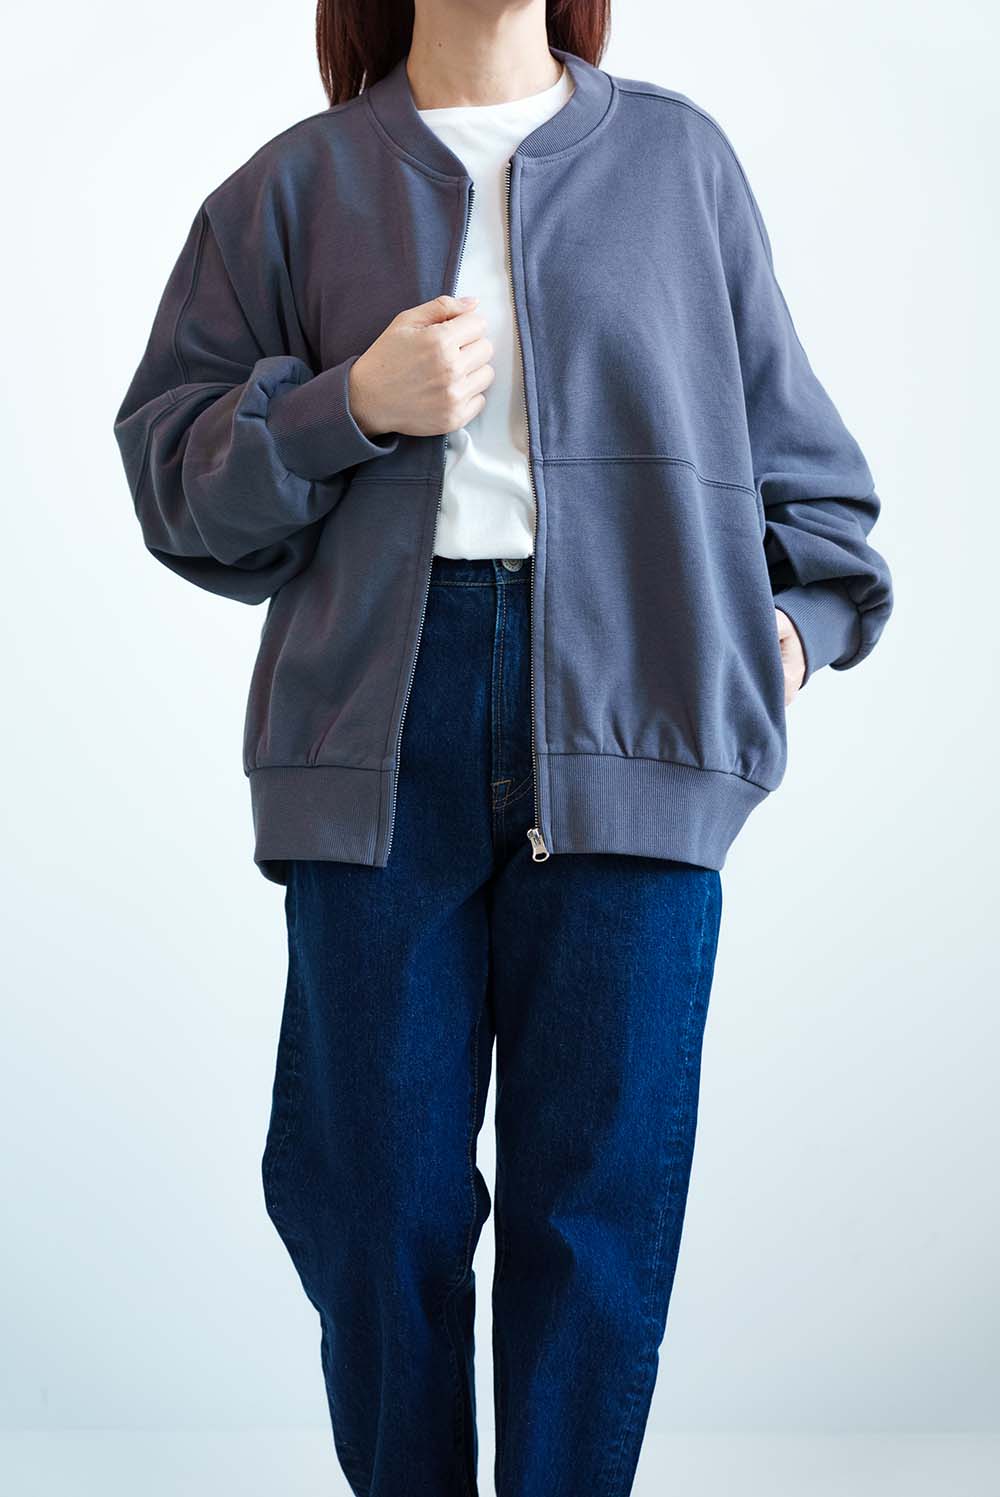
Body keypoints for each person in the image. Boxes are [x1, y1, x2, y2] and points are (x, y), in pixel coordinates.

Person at [112, 2, 893, 1492]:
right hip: (376, 740)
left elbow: (818, 498)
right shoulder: (295, 186)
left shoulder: (679, 166)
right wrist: (349, 406)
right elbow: (175, 479)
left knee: (594, 1221)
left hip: (633, 724)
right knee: (371, 1202)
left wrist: (777, 643)